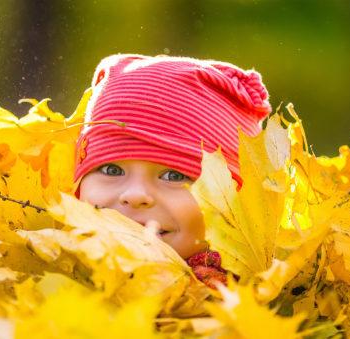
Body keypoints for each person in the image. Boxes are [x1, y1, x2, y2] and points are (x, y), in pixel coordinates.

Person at [73, 54, 272, 286]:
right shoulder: (41, 266)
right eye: (111, 170)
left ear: (236, 204)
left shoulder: (233, 299)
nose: (135, 195)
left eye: (173, 175)